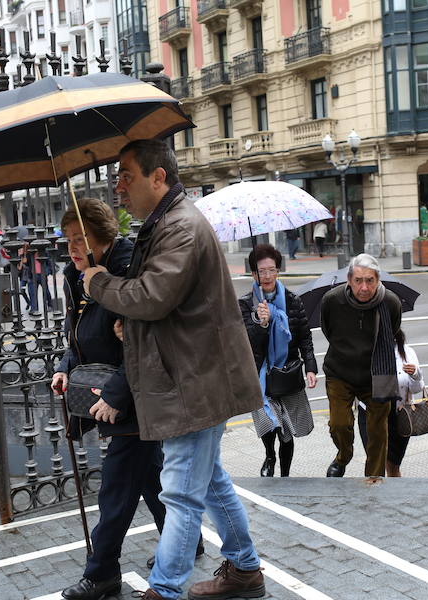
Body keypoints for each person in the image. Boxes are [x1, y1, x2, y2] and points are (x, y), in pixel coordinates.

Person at [82, 139, 264, 600]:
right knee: (210, 480)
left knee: (180, 495)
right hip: (192, 378)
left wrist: (99, 282)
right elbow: (165, 306)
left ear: (157, 177)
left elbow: (151, 296)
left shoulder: (179, 225)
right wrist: (132, 328)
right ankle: (244, 570)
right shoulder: (162, 224)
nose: (118, 186)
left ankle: (164, 590)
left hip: (195, 382)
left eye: (126, 175)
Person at [52, 199, 175, 600]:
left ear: (101, 236)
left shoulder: (124, 269)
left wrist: (116, 396)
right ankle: (183, 542)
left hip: (135, 396)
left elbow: (138, 342)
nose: (71, 246)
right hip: (112, 392)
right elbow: (80, 333)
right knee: (150, 477)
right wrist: (65, 367)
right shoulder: (78, 274)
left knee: (116, 489)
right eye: (67, 239)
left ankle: (102, 572)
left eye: (79, 238)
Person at [319, 253, 402, 484]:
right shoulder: (332, 300)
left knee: (377, 429)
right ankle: (343, 456)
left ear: (378, 280)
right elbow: (328, 331)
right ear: (349, 280)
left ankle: (374, 476)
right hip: (340, 372)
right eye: (358, 280)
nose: (364, 287)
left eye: (370, 280)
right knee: (339, 424)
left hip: (377, 372)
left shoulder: (391, 302)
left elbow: (393, 331)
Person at [239, 244, 317, 478]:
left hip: (287, 372)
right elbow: (246, 342)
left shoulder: (292, 300)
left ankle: (285, 474)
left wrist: (311, 367)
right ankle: (269, 455)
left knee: (288, 430)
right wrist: (261, 323)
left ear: (278, 271)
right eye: (261, 271)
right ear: (253, 274)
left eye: (271, 270)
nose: (267, 276)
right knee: (268, 423)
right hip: (259, 374)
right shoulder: (245, 304)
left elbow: (304, 336)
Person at [358, 328, 423, 477]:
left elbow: (416, 389)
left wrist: (415, 374)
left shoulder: (406, 352)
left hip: (399, 415)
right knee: (375, 465)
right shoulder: (364, 352)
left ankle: (395, 499)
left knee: (393, 467)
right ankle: (377, 499)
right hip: (371, 414)